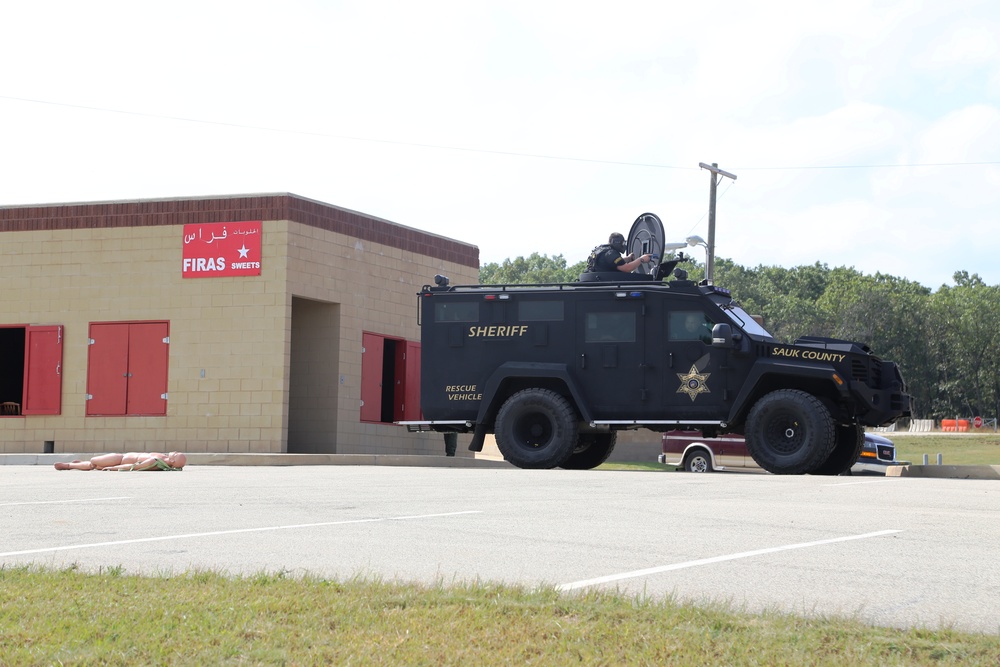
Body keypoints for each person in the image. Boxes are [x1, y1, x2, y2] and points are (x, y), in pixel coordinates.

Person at [54, 451, 187, 471]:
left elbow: (135, 466)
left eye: (175, 454)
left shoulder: (155, 460)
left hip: (119, 460)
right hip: (120, 459)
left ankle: (69, 465)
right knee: (94, 464)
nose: (173, 452)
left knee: (93, 462)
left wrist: (112, 468)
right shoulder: (162, 459)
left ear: (173, 461)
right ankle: (75, 465)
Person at [586, 233, 651, 273]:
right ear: (616, 242)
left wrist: (628, 258)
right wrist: (641, 259)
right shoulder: (611, 253)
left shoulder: (602, 250)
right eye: (622, 243)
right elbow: (627, 268)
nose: (624, 245)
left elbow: (613, 264)